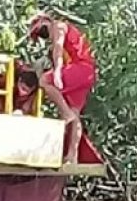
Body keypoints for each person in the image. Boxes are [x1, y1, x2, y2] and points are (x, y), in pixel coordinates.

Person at [28, 12, 97, 164]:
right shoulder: (59, 32)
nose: (41, 35)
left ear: (45, 21)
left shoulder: (58, 26)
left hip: (81, 67)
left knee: (45, 81)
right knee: (75, 112)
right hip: (88, 73)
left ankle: (65, 114)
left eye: (39, 30)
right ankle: (72, 155)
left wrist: (58, 71)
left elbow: (58, 48)